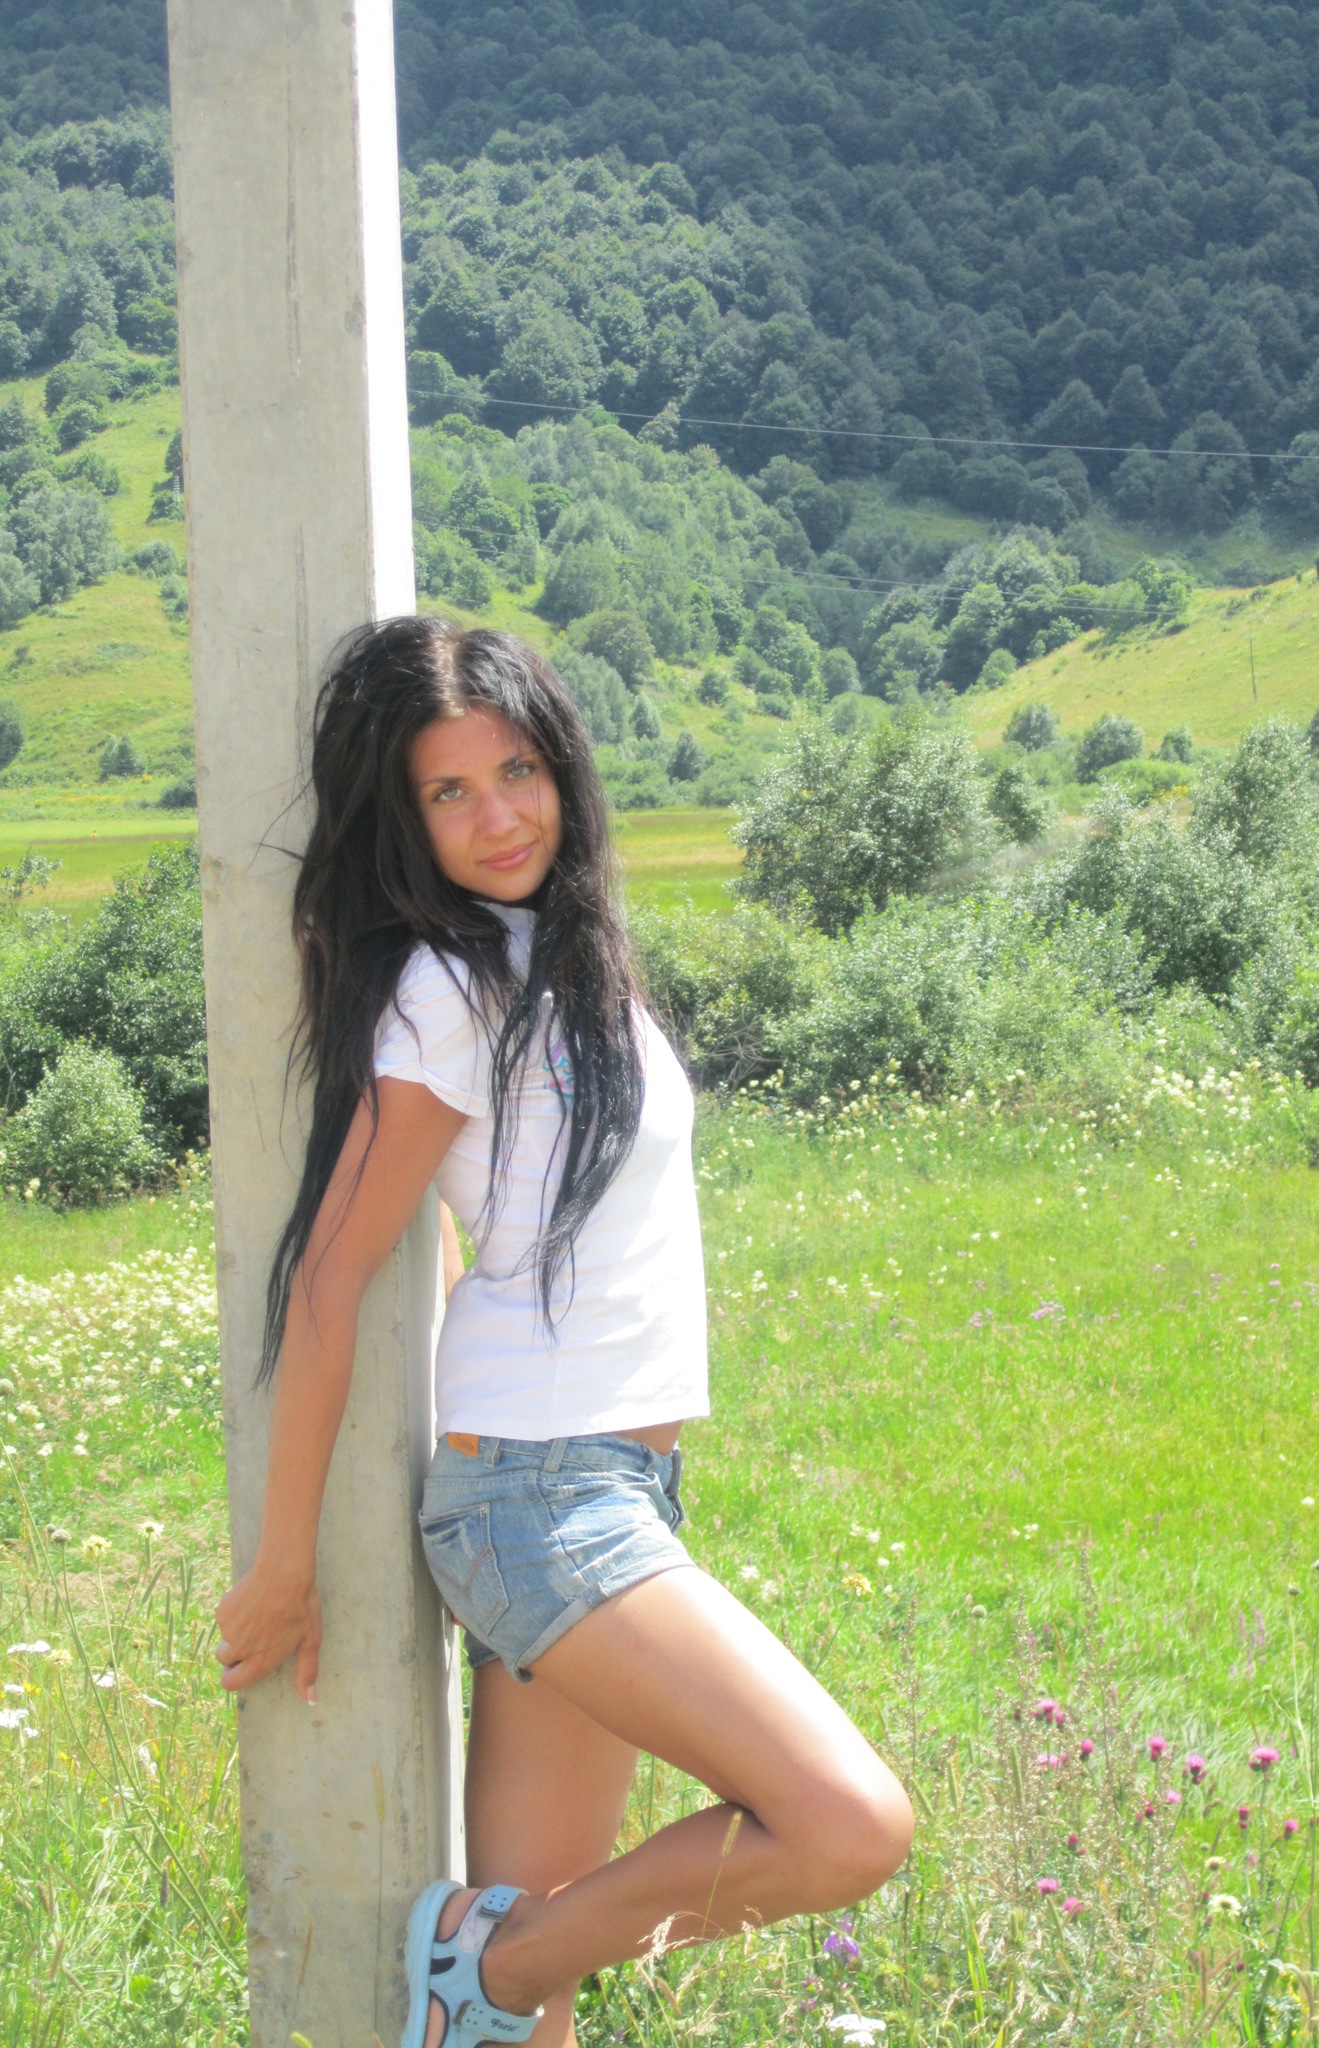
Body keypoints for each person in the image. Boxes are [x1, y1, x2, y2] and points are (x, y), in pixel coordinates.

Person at [212, 618, 913, 2048]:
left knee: (531, 2025)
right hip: (539, 1498)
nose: (498, 818)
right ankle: (493, 1963)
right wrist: (285, 1563)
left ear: (564, 769)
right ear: (404, 822)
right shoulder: (451, 989)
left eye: (517, 772)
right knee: (848, 1825)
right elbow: (333, 1275)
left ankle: (499, 1981)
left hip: (605, 1483)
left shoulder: (561, 962)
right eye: (448, 793)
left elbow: (466, 1218)